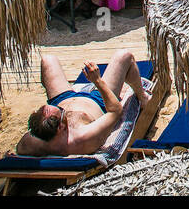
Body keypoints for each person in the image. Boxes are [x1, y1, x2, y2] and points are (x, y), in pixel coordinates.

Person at [18, 50, 153, 156]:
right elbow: (116, 111)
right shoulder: (83, 137)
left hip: (62, 98)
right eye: (61, 112)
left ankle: (59, 105)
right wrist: (97, 81)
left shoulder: (32, 142)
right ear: (61, 127)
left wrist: (58, 107)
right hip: (97, 100)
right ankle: (142, 97)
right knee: (124, 56)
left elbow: (20, 149)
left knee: (47, 60)